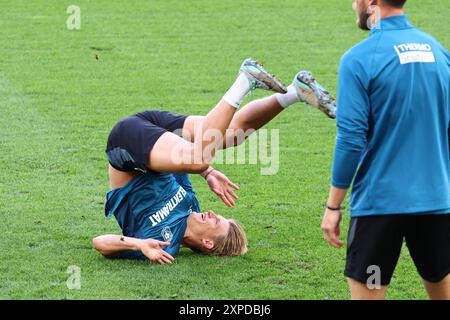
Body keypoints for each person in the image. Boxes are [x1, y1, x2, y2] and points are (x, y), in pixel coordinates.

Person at [93, 58, 336, 264]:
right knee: (232, 134)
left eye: (216, 220)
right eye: (218, 215)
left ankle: (246, 80)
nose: (212, 213)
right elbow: (182, 161)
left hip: (125, 150)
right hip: (150, 134)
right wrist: (208, 173)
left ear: (207, 243)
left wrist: (138, 245)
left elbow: (100, 243)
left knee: (199, 158)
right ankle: (295, 92)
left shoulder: (162, 244)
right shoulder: (191, 204)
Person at [321, 0, 450, 299]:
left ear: (372, 2)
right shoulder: (440, 53)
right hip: (436, 205)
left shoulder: (359, 59)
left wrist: (333, 206)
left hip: (380, 210)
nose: (353, 5)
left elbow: (351, 139)